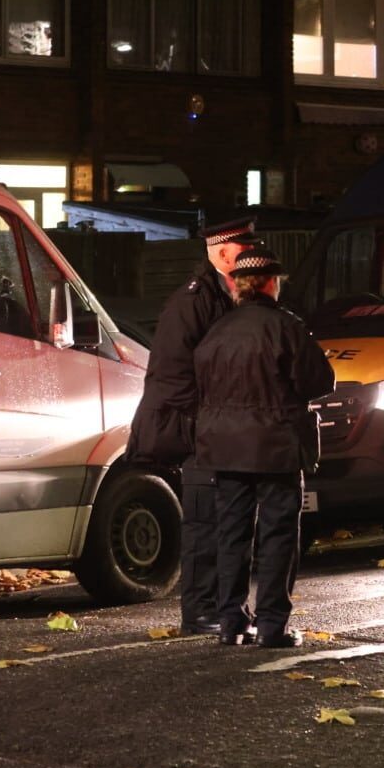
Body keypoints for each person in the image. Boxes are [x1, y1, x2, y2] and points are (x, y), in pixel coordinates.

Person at [192, 246, 335, 649]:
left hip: (225, 447)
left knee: (231, 535)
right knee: (278, 535)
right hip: (276, 446)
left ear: (238, 285)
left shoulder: (216, 331)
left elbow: (200, 383)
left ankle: (230, 621)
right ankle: (272, 624)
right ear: (271, 283)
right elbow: (320, 381)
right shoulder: (286, 326)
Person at [128, 216, 258, 636]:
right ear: (223, 253)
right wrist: (206, 421)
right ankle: (201, 611)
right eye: (244, 249)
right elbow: (172, 376)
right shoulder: (193, 301)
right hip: (201, 431)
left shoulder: (230, 294)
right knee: (205, 523)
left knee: (228, 522)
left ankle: (227, 608)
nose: (252, 254)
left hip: (223, 428)